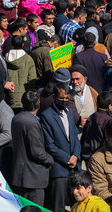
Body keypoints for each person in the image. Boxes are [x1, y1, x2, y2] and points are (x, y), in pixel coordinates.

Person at [40, 83, 81, 212]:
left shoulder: (69, 113)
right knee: (57, 206)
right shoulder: (46, 116)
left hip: (74, 169)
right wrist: (68, 159)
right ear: (54, 96)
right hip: (59, 170)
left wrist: (76, 156)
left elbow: (74, 137)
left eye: (66, 99)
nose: (64, 101)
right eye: (61, 98)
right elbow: (50, 145)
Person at [10, 90, 53, 206]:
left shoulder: (16, 118)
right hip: (33, 177)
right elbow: (37, 151)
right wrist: (50, 160)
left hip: (20, 174)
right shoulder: (32, 123)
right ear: (38, 103)